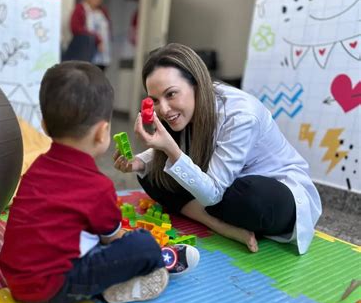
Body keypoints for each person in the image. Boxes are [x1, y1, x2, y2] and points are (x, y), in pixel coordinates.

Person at [0, 61, 199, 303]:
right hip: (52, 289)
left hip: (15, 279)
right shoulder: (97, 185)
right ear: (102, 133)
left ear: (45, 126)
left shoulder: (35, 168)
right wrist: (134, 240)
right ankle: (160, 260)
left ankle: (115, 280)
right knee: (142, 244)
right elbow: (112, 239)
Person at [114, 43, 322, 255]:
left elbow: (212, 193)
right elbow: (180, 152)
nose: (164, 109)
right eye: (155, 100)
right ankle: (217, 223)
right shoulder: (186, 109)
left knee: (251, 196)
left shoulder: (240, 115)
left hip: (270, 192)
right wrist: (139, 162)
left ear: (196, 84)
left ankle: (210, 214)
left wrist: (171, 151)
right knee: (151, 173)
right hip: (218, 189)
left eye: (171, 94)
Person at [69, 0, 111, 70]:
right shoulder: (80, 9)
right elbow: (75, 28)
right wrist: (96, 38)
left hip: (102, 56)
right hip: (86, 56)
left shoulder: (103, 11)